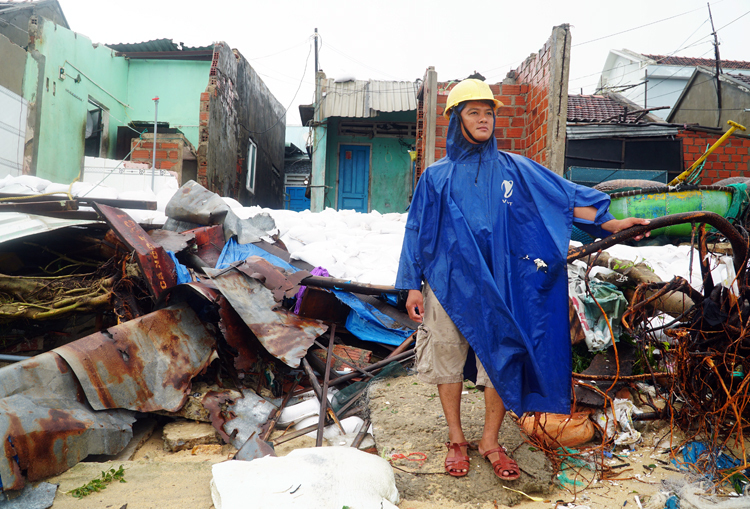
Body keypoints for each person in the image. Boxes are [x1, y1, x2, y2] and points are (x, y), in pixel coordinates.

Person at [395, 79, 649, 480]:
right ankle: (457, 439)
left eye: (489, 112)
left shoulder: (515, 168)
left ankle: (490, 442)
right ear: (456, 118)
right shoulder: (436, 177)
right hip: (447, 283)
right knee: (447, 359)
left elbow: (563, 201)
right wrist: (412, 283)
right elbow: (417, 231)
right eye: (474, 112)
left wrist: (612, 222)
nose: (483, 119)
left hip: (501, 284)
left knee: (501, 360)